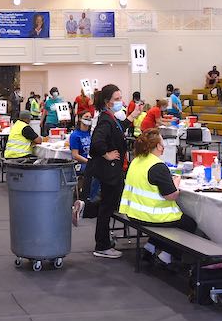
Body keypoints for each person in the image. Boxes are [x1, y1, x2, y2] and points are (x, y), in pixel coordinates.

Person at [86, 84, 139, 259]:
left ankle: (104, 241)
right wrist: (106, 154)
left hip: (112, 170)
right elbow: (97, 142)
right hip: (109, 171)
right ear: (108, 102)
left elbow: (118, 128)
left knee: (107, 207)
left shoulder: (110, 117)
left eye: (120, 98)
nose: (120, 102)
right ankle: (102, 245)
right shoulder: (105, 119)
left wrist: (131, 116)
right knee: (106, 208)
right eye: (117, 99)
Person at [119, 129, 197, 234]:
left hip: (133, 213)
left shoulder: (136, 160)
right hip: (152, 216)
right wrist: (176, 184)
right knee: (191, 224)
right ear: (159, 146)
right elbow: (171, 196)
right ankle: (168, 250)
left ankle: (151, 246)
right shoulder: (157, 165)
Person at [70, 112, 94, 225]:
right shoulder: (75, 135)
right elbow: (75, 155)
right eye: (86, 117)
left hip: (90, 161)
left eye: (90, 117)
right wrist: (89, 162)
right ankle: (86, 198)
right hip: (80, 163)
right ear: (80, 119)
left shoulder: (91, 134)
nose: (88, 119)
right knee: (92, 170)